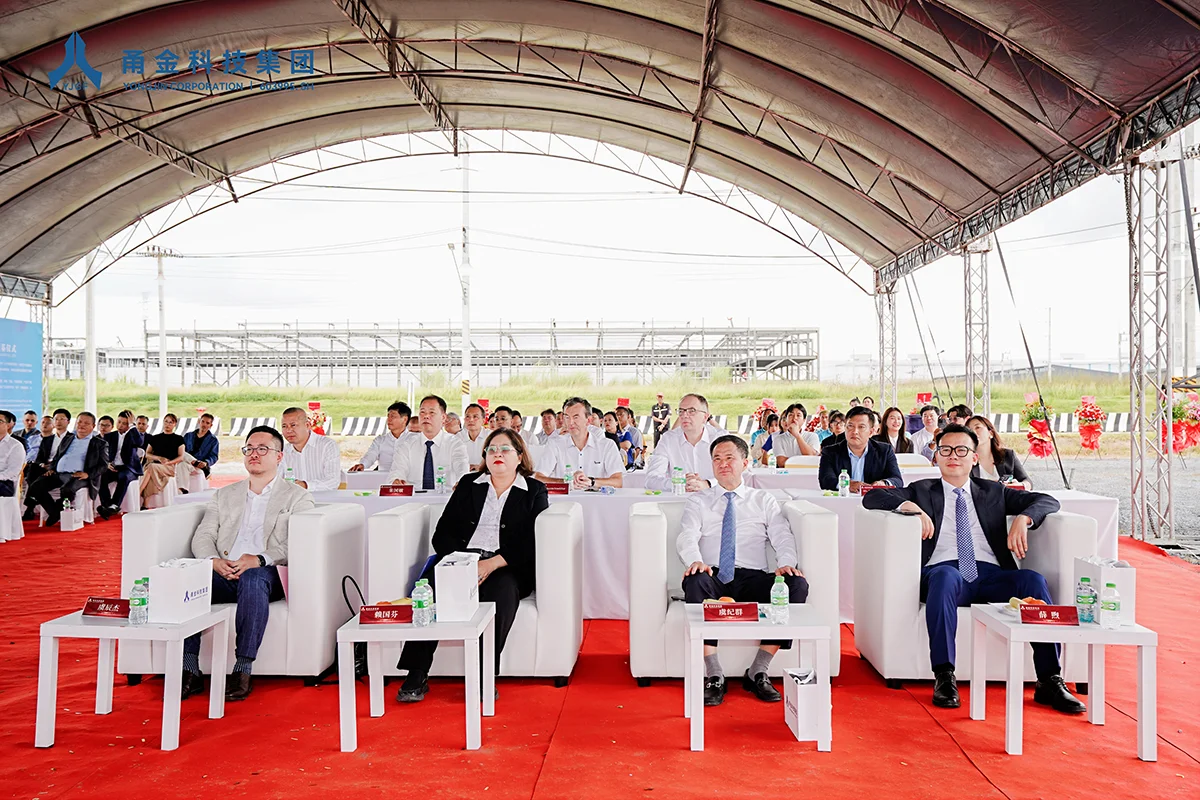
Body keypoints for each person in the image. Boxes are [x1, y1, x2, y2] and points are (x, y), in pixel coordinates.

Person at [862, 424, 1086, 714]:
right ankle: (944, 675)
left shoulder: (993, 491)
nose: (953, 456)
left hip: (990, 575)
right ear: (936, 456)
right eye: (945, 450)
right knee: (946, 576)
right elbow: (873, 497)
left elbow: (1047, 501)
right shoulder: (922, 490)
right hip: (944, 574)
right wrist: (910, 506)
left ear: (974, 457)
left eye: (961, 450)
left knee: (1032, 580)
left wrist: (1024, 518)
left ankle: (1049, 679)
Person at [394, 429, 549, 702]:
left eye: (505, 449)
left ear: (520, 456)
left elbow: (533, 541)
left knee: (503, 592)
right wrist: (462, 563)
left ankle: (483, 674)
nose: (497, 454)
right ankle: (416, 672)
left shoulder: (534, 490)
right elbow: (442, 534)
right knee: (430, 591)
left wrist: (492, 564)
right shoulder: (469, 484)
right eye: (491, 449)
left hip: (506, 564)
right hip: (461, 559)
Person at [180, 426, 315, 702]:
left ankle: (242, 668)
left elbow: (297, 543)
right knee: (189, 577)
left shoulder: (297, 497)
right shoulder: (224, 494)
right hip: (225, 569)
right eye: (249, 449)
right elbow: (204, 535)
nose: (254, 454)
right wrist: (213, 561)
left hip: (268, 573)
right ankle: (189, 669)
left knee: (253, 578)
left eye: (263, 449)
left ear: (279, 456)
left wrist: (259, 559)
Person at [678, 435, 809, 706]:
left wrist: (786, 563)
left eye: (730, 458)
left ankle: (758, 670)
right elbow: (687, 535)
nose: (722, 464)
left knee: (795, 584)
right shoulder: (699, 501)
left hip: (753, 577)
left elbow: (782, 536)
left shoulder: (763, 499)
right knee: (694, 579)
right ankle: (714, 674)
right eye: (717, 459)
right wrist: (695, 560)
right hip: (714, 576)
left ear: (745, 463)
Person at [24, 411, 108, 526]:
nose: (82, 425)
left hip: (79, 476)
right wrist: (52, 468)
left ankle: (57, 512)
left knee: (67, 489)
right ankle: (54, 512)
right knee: (36, 486)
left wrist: (87, 474)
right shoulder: (68, 439)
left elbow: (103, 466)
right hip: (58, 474)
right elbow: (57, 457)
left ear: (93, 426)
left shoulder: (99, 443)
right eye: (79, 422)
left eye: (86, 423)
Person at [535, 397, 624, 489]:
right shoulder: (555, 444)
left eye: (576, 417)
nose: (571, 422)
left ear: (588, 420)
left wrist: (591, 482)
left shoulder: (607, 445)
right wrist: (567, 482)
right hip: (566, 498)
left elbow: (618, 481)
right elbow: (538, 478)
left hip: (597, 497)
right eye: (567, 417)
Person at [645, 394, 724, 492]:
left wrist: (708, 483)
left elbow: (735, 476)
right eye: (681, 411)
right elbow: (651, 480)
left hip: (716, 498)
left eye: (692, 411)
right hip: (679, 499)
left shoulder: (721, 438)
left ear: (705, 417)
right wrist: (679, 483)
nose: (684, 415)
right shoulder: (668, 439)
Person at [389, 395, 470, 488]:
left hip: (446, 495)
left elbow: (462, 467)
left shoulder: (455, 444)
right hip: (414, 496)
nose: (426, 416)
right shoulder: (406, 444)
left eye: (432, 412)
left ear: (443, 418)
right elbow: (397, 471)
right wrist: (396, 481)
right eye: (422, 412)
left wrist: (461, 483)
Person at [818, 406, 903, 492]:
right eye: (850, 426)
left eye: (861, 427)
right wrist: (847, 484)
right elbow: (825, 480)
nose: (855, 431)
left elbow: (897, 480)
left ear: (871, 432)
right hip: (842, 499)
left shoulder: (884, 451)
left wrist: (883, 483)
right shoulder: (830, 452)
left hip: (874, 499)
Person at [280, 407, 341, 491]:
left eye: (293, 425)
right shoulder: (282, 451)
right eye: (284, 426)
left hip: (324, 498)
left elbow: (333, 481)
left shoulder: (327, 445)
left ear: (307, 425)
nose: (289, 430)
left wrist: (305, 485)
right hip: (294, 498)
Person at [98, 410, 144, 519]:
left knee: (123, 477)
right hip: (113, 466)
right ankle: (107, 505)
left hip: (129, 468)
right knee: (100, 476)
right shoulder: (110, 436)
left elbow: (139, 443)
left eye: (124, 423)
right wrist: (107, 464)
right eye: (119, 422)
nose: (120, 425)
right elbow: (103, 453)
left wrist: (133, 426)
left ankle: (114, 505)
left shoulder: (133, 435)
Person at [966, 415, 1031, 489]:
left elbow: (1027, 481)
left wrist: (1020, 485)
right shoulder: (966, 460)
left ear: (991, 433)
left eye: (977, 427)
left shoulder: (1008, 455)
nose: (973, 432)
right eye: (969, 430)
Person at [349, 401, 410, 473]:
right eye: (388, 416)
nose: (389, 420)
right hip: (384, 479)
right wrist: (363, 465)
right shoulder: (380, 440)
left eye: (393, 416)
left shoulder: (413, 439)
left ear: (404, 419)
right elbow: (371, 455)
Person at [140, 413, 186, 500]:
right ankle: (145, 504)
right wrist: (158, 458)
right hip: (155, 465)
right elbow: (147, 454)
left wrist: (169, 462)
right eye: (166, 421)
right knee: (151, 469)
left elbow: (181, 457)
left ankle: (139, 492)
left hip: (169, 467)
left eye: (170, 422)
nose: (167, 424)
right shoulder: (155, 438)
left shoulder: (179, 439)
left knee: (150, 467)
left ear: (175, 424)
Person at [177, 413, 219, 491]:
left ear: (211, 425)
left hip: (200, 466)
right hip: (188, 463)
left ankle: (199, 464)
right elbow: (181, 451)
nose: (204, 424)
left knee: (182, 460)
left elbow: (214, 456)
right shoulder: (188, 436)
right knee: (181, 457)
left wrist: (206, 463)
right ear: (199, 421)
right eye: (203, 421)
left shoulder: (213, 440)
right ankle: (184, 490)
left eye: (207, 423)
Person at [0, 411, 24, 518]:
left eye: (0, 421)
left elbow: (12, 472)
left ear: (8, 425)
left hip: (5, 483)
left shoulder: (15, 446)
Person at [22, 414, 52, 487]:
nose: (45, 424)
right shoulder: (32, 438)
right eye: (43, 422)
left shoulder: (54, 440)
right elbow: (25, 452)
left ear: (53, 425)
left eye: (48, 423)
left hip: (41, 466)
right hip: (26, 464)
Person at [456, 403, 488, 470]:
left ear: (483, 421)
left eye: (475, 417)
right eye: (467, 416)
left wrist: (481, 468)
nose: (471, 420)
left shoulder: (490, 436)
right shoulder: (458, 437)